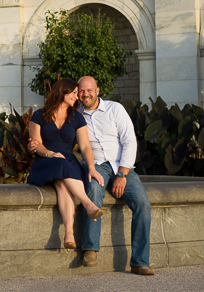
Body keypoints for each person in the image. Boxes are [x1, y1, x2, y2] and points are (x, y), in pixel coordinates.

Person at [76, 76, 154, 276]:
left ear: (97, 90)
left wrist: (122, 174)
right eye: (82, 91)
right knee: (93, 189)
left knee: (143, 204)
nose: (86, 94)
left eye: (89, 90)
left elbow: (129, 141)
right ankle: (90, 248)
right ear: (77, 92)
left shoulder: (115, 109)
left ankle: (139, 261)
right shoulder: (76, 116)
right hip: (96, 166)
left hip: (121, 166)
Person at [27, 78, 105, 250]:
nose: (77, 97)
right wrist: (50, 153)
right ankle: (87, 204)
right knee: (59, 163)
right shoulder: (39, 115)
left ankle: (69, 234)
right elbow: (36, 144)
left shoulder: (77, 117)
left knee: (62, 185)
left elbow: (85, 146)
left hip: (67, 161)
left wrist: (91, 168)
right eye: (74, 93)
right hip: (46, 161)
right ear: (63, 91)